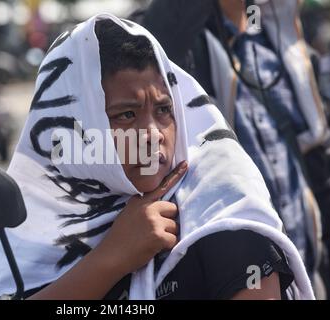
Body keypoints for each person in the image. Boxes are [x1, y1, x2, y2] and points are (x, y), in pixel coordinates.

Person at [0, 14, 314, 300]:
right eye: (125, 115)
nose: (152, 134)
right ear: (77, 126)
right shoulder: (39, 223)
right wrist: (111, 258)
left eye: (165, 109)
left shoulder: (220, 210)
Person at [131, 0, 330, 298]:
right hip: (231, 276)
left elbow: (312, 162)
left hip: (304, 275)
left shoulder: (277, 38)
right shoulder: (173, 42)